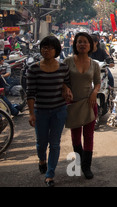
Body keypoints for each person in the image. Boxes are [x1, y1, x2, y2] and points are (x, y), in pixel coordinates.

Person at [26, 36, 71, 187]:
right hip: (41, 111)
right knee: (41, 143)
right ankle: (41, 160)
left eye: (50, 48)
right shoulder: (33, 69)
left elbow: (67, 84)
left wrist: (66, 88)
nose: (46, 50)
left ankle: (50, 174)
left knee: (55, 144)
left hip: (59, 111)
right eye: (44, 47)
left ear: (56, 50)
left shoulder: (64, 68)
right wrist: (31, 113)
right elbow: (30, 93)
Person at [63, 32, 101, 180]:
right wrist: (65, 88)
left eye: (85, 42)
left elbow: (98, 82)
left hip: (90, 103)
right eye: (79, 42)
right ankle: (78, 163)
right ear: (75, 44)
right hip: (73, 104)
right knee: (76, 136)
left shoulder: (95, 64)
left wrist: (94, 92)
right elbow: (62, 80)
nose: (82, 44)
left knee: (89, 136)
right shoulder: (67, 61)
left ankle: (87, 167)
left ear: (90, 45)